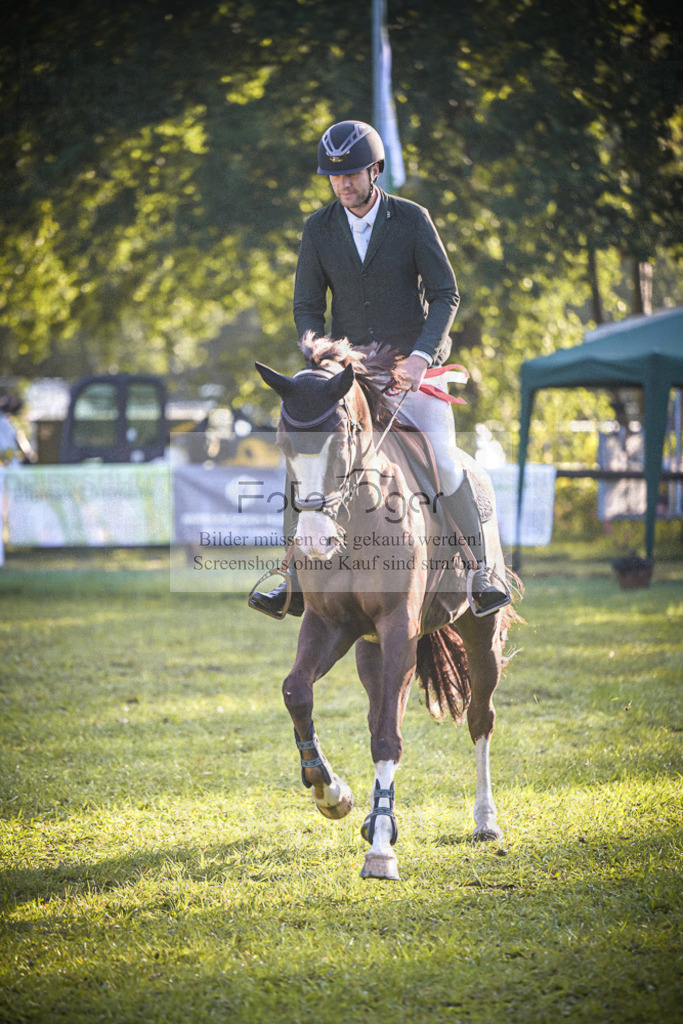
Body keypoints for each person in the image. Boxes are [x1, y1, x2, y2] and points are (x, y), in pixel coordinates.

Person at [250, 119, 509, 619]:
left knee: (445, 458)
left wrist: (422, 356)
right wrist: (316, 350)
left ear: (375, 170)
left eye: (351, 174)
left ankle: (481, 571)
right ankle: (288, 576)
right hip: (348, 376)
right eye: (334, 176)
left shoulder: (411, 219)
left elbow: (445, 294)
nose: (343, 184)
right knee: (305, 454)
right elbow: (307, 304)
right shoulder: (318, 228)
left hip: (411, 370)